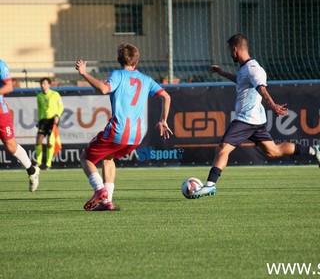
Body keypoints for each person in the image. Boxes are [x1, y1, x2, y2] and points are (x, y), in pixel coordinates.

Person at [192, 34, 320, 198]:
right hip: (255, 121)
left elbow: (262, 88)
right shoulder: (244, 69)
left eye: (230, 50)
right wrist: (222, 73)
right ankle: (313, 150)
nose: (229, 54)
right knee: (273, 151)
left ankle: (210, 185)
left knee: (223, 148)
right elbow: (240, 80)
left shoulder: (254, 68)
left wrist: (273, 106)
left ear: (235, 49)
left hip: (246, 119)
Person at [75, 43, 173, 211]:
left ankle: (99, 190)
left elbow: (104, 89)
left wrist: (84, 73)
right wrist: (163, 120)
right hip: (137, 135)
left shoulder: (118, 75)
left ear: (119, 60)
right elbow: (166, 96)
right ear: (137, 61)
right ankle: (107, 203)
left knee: (86, 158)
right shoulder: (146, 79)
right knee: (108, 157)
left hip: (118, 130)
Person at [0, 59, 40, 192]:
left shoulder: (1, 64)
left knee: (11, 146)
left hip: (1, 113)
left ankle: (31, 170)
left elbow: (9, 86)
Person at [35, 77, 64, 170]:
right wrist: (38, 120)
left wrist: (57, 116)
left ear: (49, 85)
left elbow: (61, 107)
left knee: (50, 142)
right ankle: (38, 162)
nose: (42, 85)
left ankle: (48, 163)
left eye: (44, 83)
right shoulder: (39, 95)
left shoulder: (55, 94)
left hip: (53, 120)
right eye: (41, 84)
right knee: (38, 140)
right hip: (43, 120)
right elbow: (39, 109)